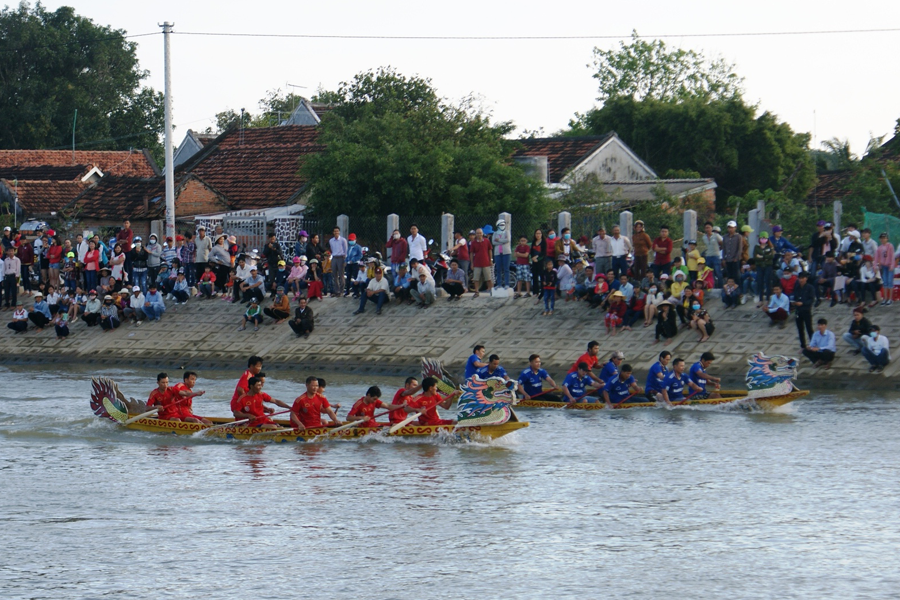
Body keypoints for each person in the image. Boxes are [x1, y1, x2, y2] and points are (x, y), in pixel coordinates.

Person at [792, 272, 815, 349]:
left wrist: (803, 303)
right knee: (800, 329)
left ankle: (813, 344)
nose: (801, 280)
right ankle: (803, 346)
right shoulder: (797, 287)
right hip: (798, 310)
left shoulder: (810, 287)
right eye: (800, 278)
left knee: (809, 328)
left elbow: (811, 299)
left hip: (806, 310)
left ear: (806, 278)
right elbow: (795, 296)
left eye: (802, 278)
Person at [470, 228, 493, 297]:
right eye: (477, 233)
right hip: (477, 263)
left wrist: (490, 260)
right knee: (476, 278)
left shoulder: (487, 241)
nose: (479, 234)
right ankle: (476, 291)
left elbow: (490, 250)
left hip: (486, 262)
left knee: (488, 278)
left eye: (480, 233)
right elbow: (471, 253)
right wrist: (472, 263)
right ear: (476, 234)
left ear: (482, 233)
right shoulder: (473, 243)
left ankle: (491, 290)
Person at [492, 218, 512, 289]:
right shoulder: (495, 233)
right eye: (501, 225)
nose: (502, 226)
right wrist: (503, 241)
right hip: (497, 253)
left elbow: (508, 240)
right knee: (498, 269)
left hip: (506, 253)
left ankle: (507, 284)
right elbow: (494, 242)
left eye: (503, 224)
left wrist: (499, 240)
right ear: (498, 225)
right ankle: (499, 284)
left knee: (506, 269)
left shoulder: (507, 232)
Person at [875, 232, 895, 306]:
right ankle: (885, 298)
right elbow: (877, 257)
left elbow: (892, 256)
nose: (883, 239)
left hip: (889, 266)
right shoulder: (879, 248)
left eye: (884, 238)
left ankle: (890, 298)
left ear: (887, 238)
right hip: (883, 266)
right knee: (885, 282)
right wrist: (876, 266)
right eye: (881, 238)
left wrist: (892, 265)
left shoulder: (890, 246)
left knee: (890, 282)